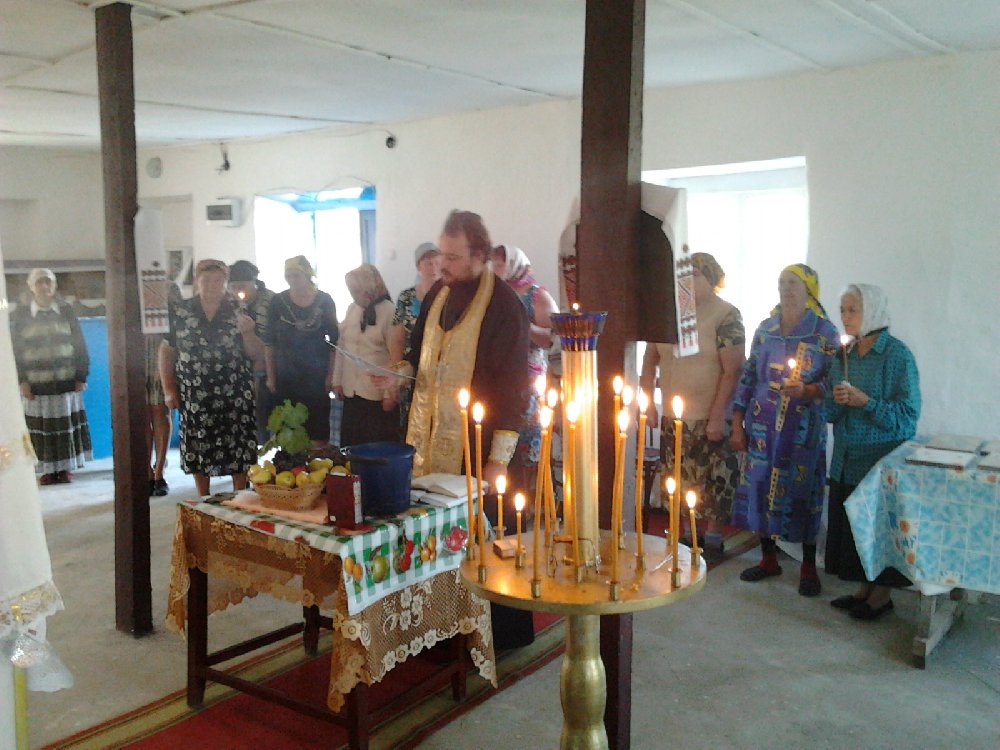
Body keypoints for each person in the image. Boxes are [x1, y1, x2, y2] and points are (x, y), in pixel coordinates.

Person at [378, 210, 531, 649]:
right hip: (425, 442)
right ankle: (433, 628)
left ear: (480, 255)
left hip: (478, 447)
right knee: (425, 533)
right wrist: (397, 375)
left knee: (485, 543)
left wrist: (497, 462)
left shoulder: (504, 307)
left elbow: (514, 390)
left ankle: (487, 638)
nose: (441, 265)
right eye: (440, 254)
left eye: (452, 257)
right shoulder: (438, 294)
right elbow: (417, 355)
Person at [730, 263, 839, 597]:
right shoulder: (766, 329)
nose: (786, 288)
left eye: (793, 282)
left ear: (809, 289)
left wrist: (808, 390)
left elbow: (835, 380)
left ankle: (808, 567)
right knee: (760, 487)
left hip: (803, 429)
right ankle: (768, 559)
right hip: (762, 425)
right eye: (782, 282)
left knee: (804, 493)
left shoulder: (824, 332)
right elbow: (749, 375)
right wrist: (737, 421)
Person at [825, 284, 920, 620]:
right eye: (842, 309)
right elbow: (829, 410)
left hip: (878, 463)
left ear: (873, 311)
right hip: (845, 460)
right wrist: (835, 401)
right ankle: (863, 591)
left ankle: (881, 597)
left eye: (853, 310)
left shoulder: (897, 356)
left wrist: (866, 402)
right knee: (854, 530)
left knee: (879, 529)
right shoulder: (844, 355)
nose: (845, 316)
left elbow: (907, 418)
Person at [640, 252, 745, 558]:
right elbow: (650, 358)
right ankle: (685, 534)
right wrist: (647, 403)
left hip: (708, 414)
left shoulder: (726, 314)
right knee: (678, 478)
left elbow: (733, 370)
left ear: (711, 279)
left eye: (695, 274)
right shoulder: (667, 313)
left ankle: (712, 538)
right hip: (674, 417)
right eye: (682, 276)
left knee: (713, 479)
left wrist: (718, 415)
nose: (685, 281)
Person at [159, 259, 259, 496]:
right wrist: (168, 388)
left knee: (237, 444)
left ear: (226, 282)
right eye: (207, 280)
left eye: (218, 280)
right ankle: (203, 497)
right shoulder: (180, 310)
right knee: (199, 444)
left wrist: (248, 333)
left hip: (234, 390)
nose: (213, 285)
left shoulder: (240, 310)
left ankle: (240, 495)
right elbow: (167, 351)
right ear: (197, 281)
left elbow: (256, 354)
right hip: (195, 390)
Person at [11, 267, 93, 484]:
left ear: (54, 285)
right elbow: (16, 350)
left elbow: (80, 345)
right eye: (39, 282)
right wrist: (22, 381)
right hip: (36, 384)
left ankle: (64, 470)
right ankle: (47, 471)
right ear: (32, 287)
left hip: (65, 381)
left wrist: (81, 376)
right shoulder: (22, 314)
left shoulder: (66, 311)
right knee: (42, 430)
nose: (44, 286)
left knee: (64, 428)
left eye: (48, 282)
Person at [490, 244, 559, 490]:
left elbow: (555, 336)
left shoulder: (536, 296)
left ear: (515, 264)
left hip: (529, 379)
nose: (495, 269)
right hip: (501, 375)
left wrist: (525, 327)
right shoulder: (494, 293)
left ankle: (529, 497)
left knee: (527, 440)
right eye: (494, 264)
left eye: (501, 264)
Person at [262, 255, 339, 446]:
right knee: (287, 426)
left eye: (296, 275)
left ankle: (317, 461)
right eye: (288, 275)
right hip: (286, 373)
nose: (292, 280)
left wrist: (331, 375)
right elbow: (269, 342)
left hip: (316, 373)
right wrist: (271, 376)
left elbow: (334, 342)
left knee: (317, 425)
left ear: (307, 275)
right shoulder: (278, 301)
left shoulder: (324, 300)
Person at [332, 264, 399, 445]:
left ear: (369, 289)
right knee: (351, 446)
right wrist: (337, 380)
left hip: (376, 394)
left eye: (355, 291)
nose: (352, 295)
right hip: (351, 390)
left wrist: (390, 395)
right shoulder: (352, 309)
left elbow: (396, 357)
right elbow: (342, 345)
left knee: (375, 446)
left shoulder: (390, 311)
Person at [388, 242, 441, 431]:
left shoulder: (449, 295)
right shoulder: (407, 297)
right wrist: (396, 374)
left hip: (439, 372)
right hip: (411, 369)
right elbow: (397, 340)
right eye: (428, 263)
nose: (434, 268)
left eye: (437, 262)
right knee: (411, 424)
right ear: (419, 267)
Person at [228, 260, 275, 445]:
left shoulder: (271, 302)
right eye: (233, 287)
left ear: (254, 282)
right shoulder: (228, 303)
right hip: (236, 372)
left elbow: (268, 345)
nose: (237, 291)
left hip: (266, 372)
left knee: (263, 423)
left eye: (242, 286)